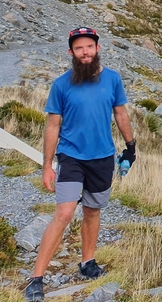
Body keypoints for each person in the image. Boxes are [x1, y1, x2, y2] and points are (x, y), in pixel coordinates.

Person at [24, 27, 136, 302]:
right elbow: (52, 126)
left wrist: (131, 147)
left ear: (98, 49)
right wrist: (47, 165)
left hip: (103, 158)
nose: (85, 52)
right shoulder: (61, 85)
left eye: (89, 47)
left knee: (92, 211)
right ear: (71, 52)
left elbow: (121, 114)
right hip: (71, 157)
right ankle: (36, 278)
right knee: (63, 213)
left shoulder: (112, 79)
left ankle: (88, 263)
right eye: (79, 48)